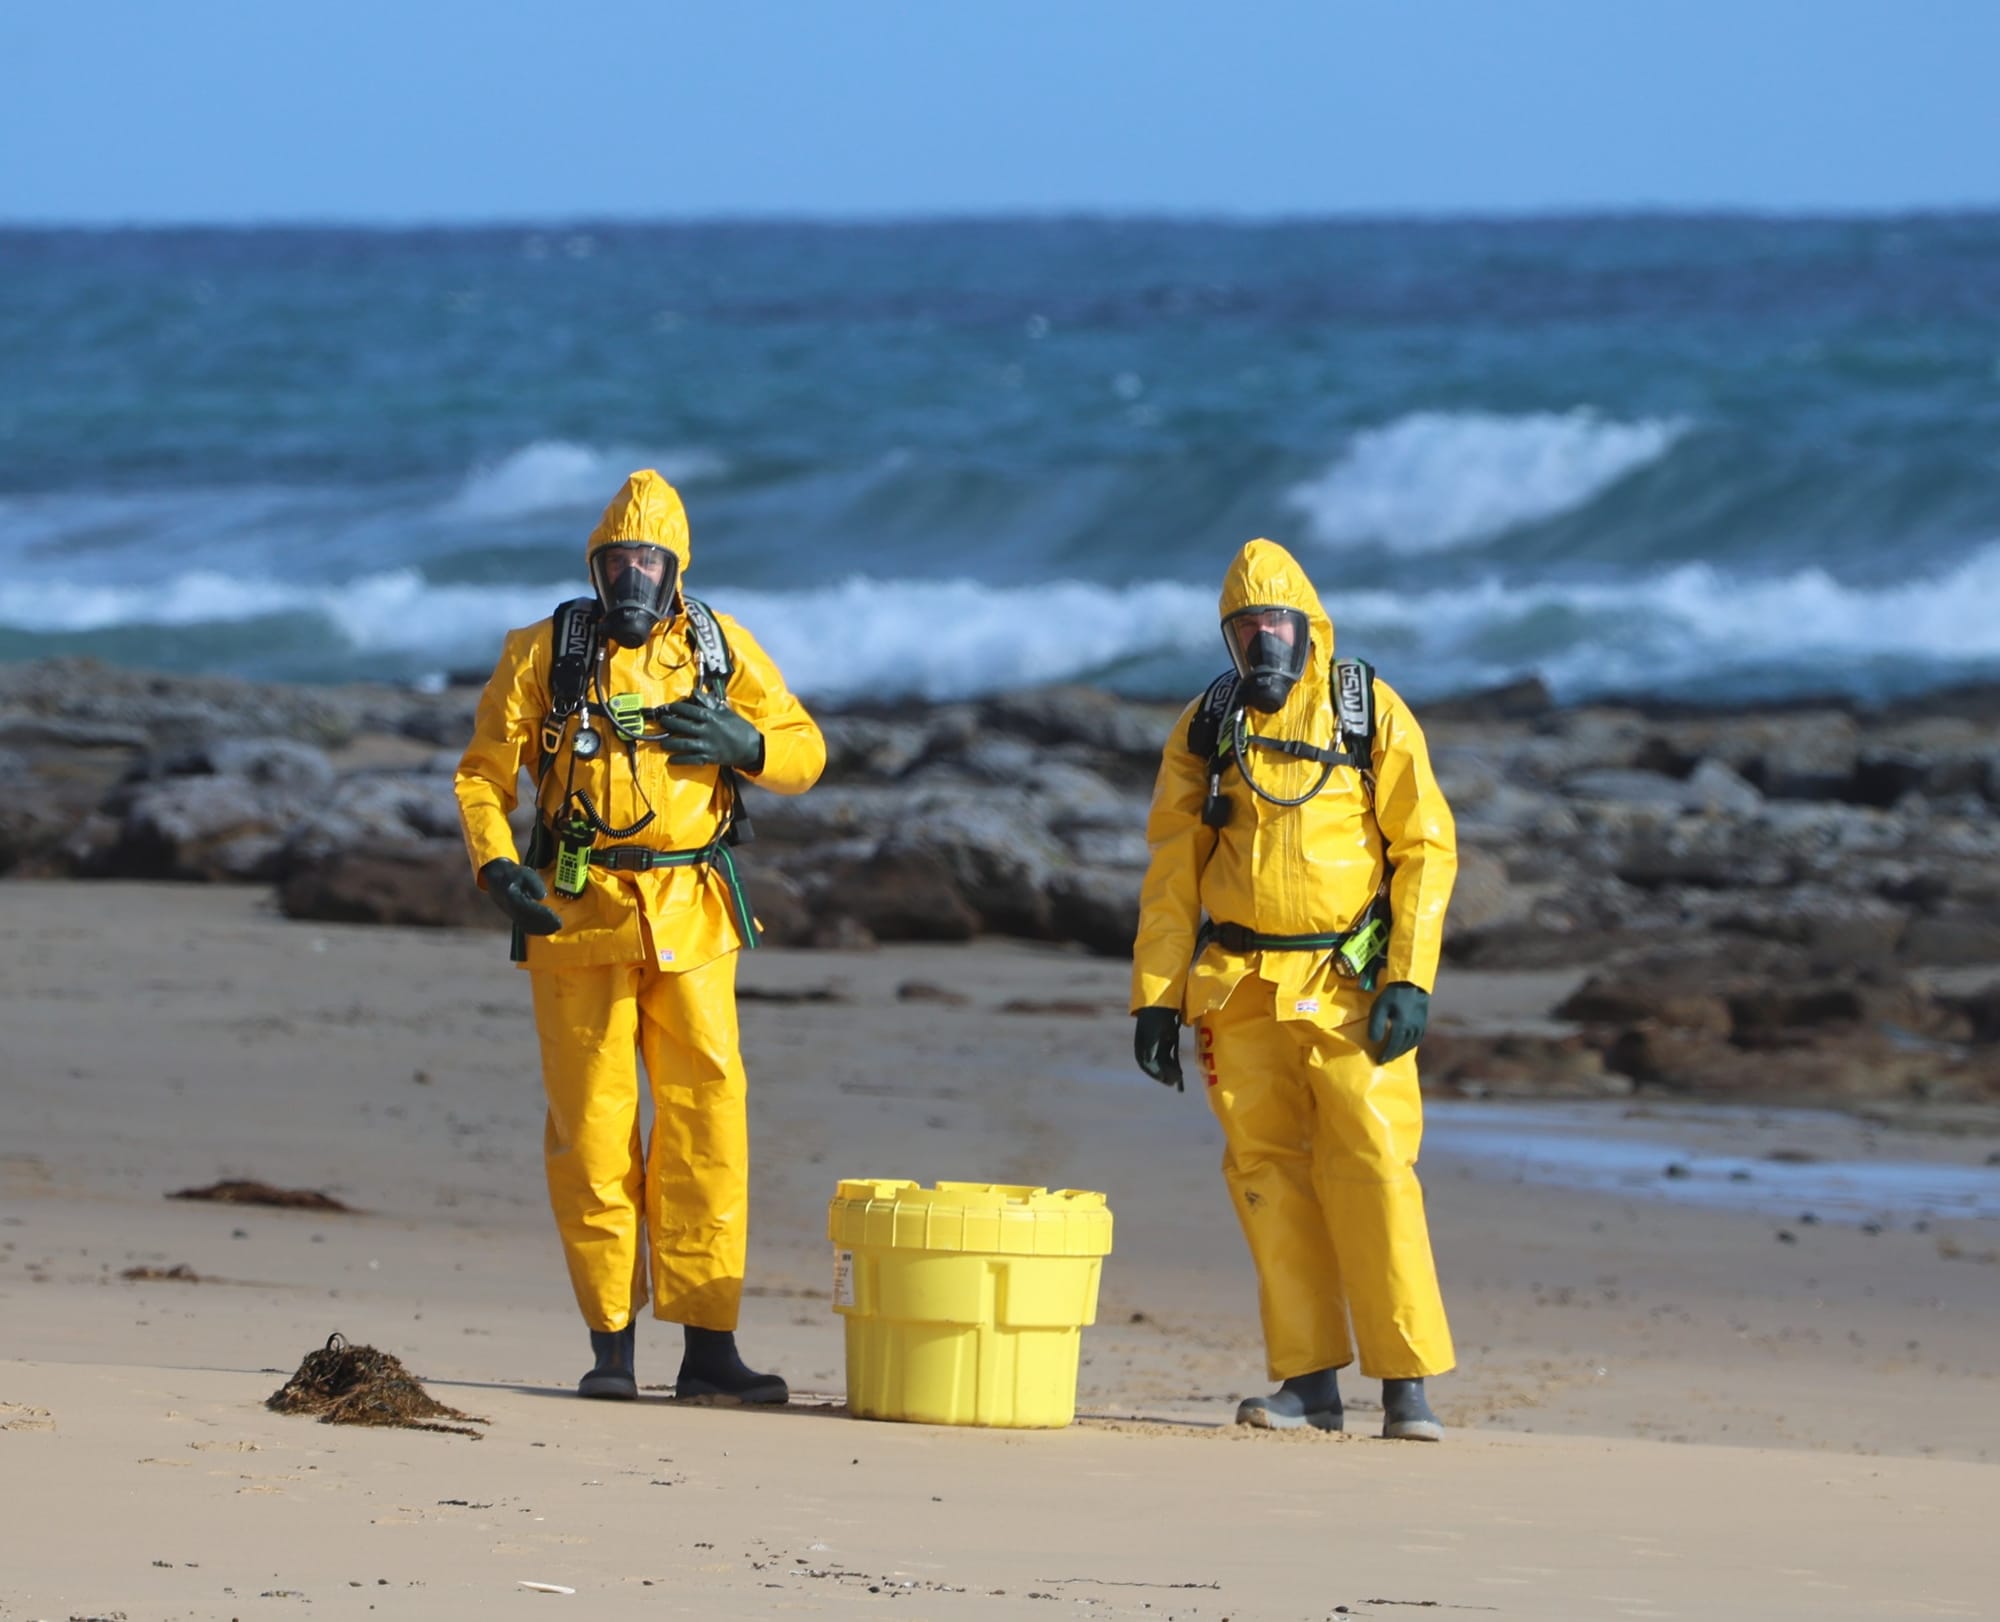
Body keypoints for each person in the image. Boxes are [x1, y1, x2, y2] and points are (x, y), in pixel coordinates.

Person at [454, 469, 825, 1404]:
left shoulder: (718, 647)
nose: (632, 577)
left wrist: (748, 748)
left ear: (676, 570)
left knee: (708, 1124)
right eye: (618, 560)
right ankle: (609, 1346)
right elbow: (482, 777)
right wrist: (498, 867)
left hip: (693, 914)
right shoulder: (544, 652)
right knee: (593, 1128)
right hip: (577, 916)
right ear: (594, 563)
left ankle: (710, 1349)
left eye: (649, 561)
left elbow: (805, 750)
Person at [1129, 538, 1459, 1441]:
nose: (1262, 643)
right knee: (1266, 1179)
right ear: (1229, 639)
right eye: (1245, 630)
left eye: (1275, 624)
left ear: (1308, 626)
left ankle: (1407, 1385)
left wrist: (1410, 978)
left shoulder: (1366, 710)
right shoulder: (1209, 725)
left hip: (1345, 981)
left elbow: (1425, 847)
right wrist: (1155, 998)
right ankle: (1309, 1381)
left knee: (1377, 1170)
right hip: (1238, 987)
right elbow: (1172, 871)